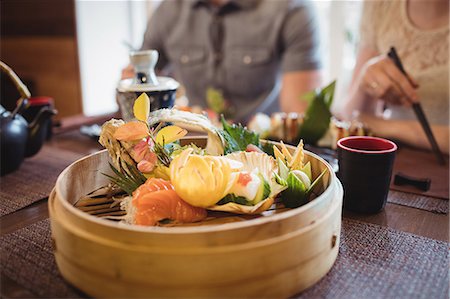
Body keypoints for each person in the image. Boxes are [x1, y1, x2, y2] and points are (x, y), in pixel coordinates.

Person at [122, 0, 323, 123]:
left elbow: (300, 114)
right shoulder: (168, 10)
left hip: (265, 149)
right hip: (193, 145)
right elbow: (139, 77)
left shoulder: (292, 8)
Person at [338, 0, 449, 153]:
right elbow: (350, 117)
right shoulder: (380, 5)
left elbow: (366, 121)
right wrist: (365, 85)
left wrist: (385, 126)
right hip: (396, 160)